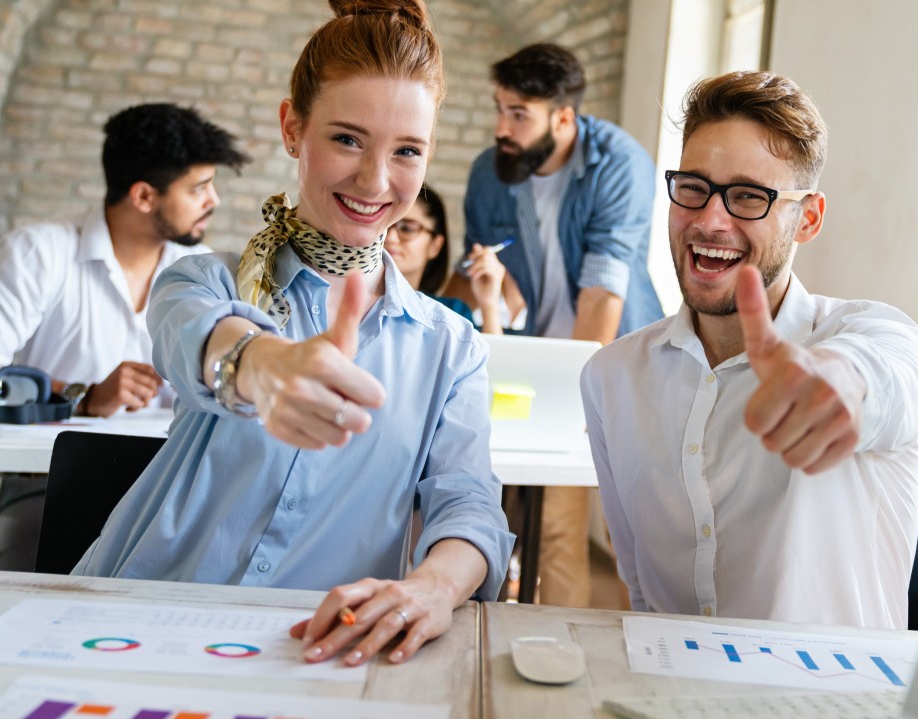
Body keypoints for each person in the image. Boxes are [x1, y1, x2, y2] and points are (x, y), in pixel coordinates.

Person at [74, 0, 514, 668]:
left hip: (312, 654)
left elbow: (470, 504)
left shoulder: (450, 348)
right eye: (346, 139)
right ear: (292, 127)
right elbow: (194, 336)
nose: (375, 180)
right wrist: (259, 363)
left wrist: (432, 586)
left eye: (406, 151)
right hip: (138, 623)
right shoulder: (204, 280)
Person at [580, 71, 918, 629]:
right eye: (694, 187)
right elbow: (642, 591)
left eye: (749, 196)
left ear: (808, 218)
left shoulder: (868, 334)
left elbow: (895, 376)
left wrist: (841, 384)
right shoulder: (612, 378)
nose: (710, 220)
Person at [0, 102, 250, 570]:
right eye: (199, 187)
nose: (213, 200)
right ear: (143, 196)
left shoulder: (202, 271)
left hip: (163, 492)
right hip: (39, 488)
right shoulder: (41, 251)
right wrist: (82, 395)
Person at [445, 42, 663, 608]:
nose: (502, 127)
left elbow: (603, 291)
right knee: (557, 526)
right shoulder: (489, 174)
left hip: (615, 361)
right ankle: (559, 652)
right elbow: (486, 274)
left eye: (519, 114)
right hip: (535, 364)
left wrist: (577, 398)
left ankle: (647, 651)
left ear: (564, 118)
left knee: (635, 536)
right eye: (499, 108)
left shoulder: (620, 164)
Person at [385, 184, 516, 334]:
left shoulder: (453, 314)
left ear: (435, 245)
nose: (390, 238)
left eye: (407, 229)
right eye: (385, 225)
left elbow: (492, 358)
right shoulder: (358, 299)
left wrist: (489, 304)